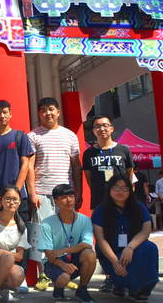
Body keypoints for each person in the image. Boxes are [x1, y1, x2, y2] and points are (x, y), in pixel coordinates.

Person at [26, 97, 82, 291]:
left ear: (58, 112)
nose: (48, 113)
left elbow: (76, 166)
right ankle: (43, 275)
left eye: (51, 109)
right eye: (43, 110)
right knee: (42, 234)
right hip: (42, 193)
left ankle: (63, 274)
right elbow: (30, 167)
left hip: (66, 194)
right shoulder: (32, 136)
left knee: (65, 235)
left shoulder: (70, 136)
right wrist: (32, 193)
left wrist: (78, 192)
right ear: (39, 114)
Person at [82, 114, 135, 294]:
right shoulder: (89, 153)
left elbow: (129, 175)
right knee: (104, 239)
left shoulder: (124, 150)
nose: (101, 129)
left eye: (105, 125)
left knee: (123, 236)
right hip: (99, 202)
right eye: (97, 126)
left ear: (111, 128)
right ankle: (110, 276)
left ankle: (127, 274)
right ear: (93, 130)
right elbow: (90, 179)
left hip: (122, 203)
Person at [92, 174, 159, 302]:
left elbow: (146, 231)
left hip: (133, 251)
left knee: (150, 247)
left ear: (130, 190)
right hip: (112, 253)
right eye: (116, 187)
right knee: (121, 277)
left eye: (124, 188)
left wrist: (130, 247)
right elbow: (100, 239)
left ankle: (142, 289)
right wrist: (114, 261)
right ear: (109, 189)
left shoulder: (139, 207)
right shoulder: (100, 210)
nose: (120, 191)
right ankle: (118, 284)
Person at [37, 184, 96, 302]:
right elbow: (48, 252)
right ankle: (58, 287)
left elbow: (87, 244)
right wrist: (63, 265)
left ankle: (82, 290)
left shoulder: (85, 220)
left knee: (90, 254)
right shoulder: (47, 223)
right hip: (54, 261)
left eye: (71, 196)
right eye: (64, 197)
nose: (69, 200)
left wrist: (64, 250)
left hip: (74, 259)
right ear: (56, 202)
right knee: (63, 279)